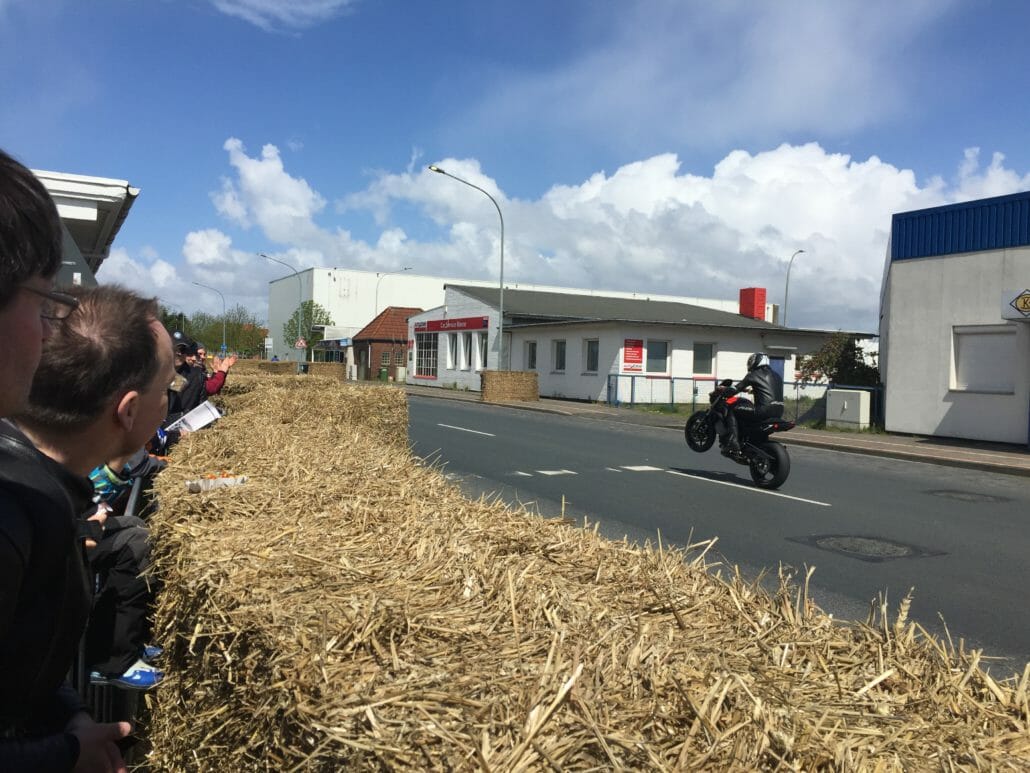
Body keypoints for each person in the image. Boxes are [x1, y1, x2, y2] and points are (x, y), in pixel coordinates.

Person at [0, 148, 133, 771]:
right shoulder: (17, 508)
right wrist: (65, 753)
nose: (50, 332)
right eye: (42, 302)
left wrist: (66, 716)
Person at [720, 353, 784, 455]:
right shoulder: (777, 375)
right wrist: (753, 391)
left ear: (755, 362)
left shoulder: (754, 375)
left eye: (750, 362)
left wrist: (725, 391)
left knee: (732, 408)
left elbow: (736, 389)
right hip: (779, 411)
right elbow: (769, 391)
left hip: (763, 410)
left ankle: (733, 441)